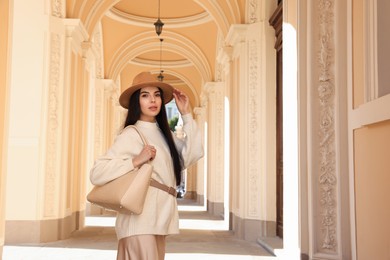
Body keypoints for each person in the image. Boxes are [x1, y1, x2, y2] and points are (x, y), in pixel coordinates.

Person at [89, 71, 204, 260]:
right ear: (137, 102)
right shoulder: (131, 134)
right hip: (140, 221)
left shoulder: (164, 135)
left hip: (158, 219)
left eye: (156, 95)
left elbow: (193, 153)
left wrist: (186, 114)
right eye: (145, 95)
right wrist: (135, 161)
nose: (153, 100)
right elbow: (97, 173)